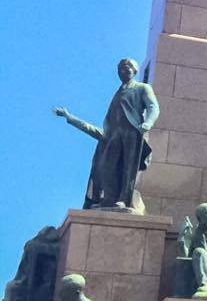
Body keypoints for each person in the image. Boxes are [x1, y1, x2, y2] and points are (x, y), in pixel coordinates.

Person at [54, 58, 160, 211]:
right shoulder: (118, 93)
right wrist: (69, 117)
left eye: (127, 67)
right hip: (114, 135)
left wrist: (148, 123)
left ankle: (124, 199)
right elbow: (90, 129)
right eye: (120, 69)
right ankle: (109, 198)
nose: (123, 71)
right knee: (107, 167)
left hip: (132, 132)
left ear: (135, 70)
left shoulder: (142, 88)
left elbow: (153, 107)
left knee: (128, 169)